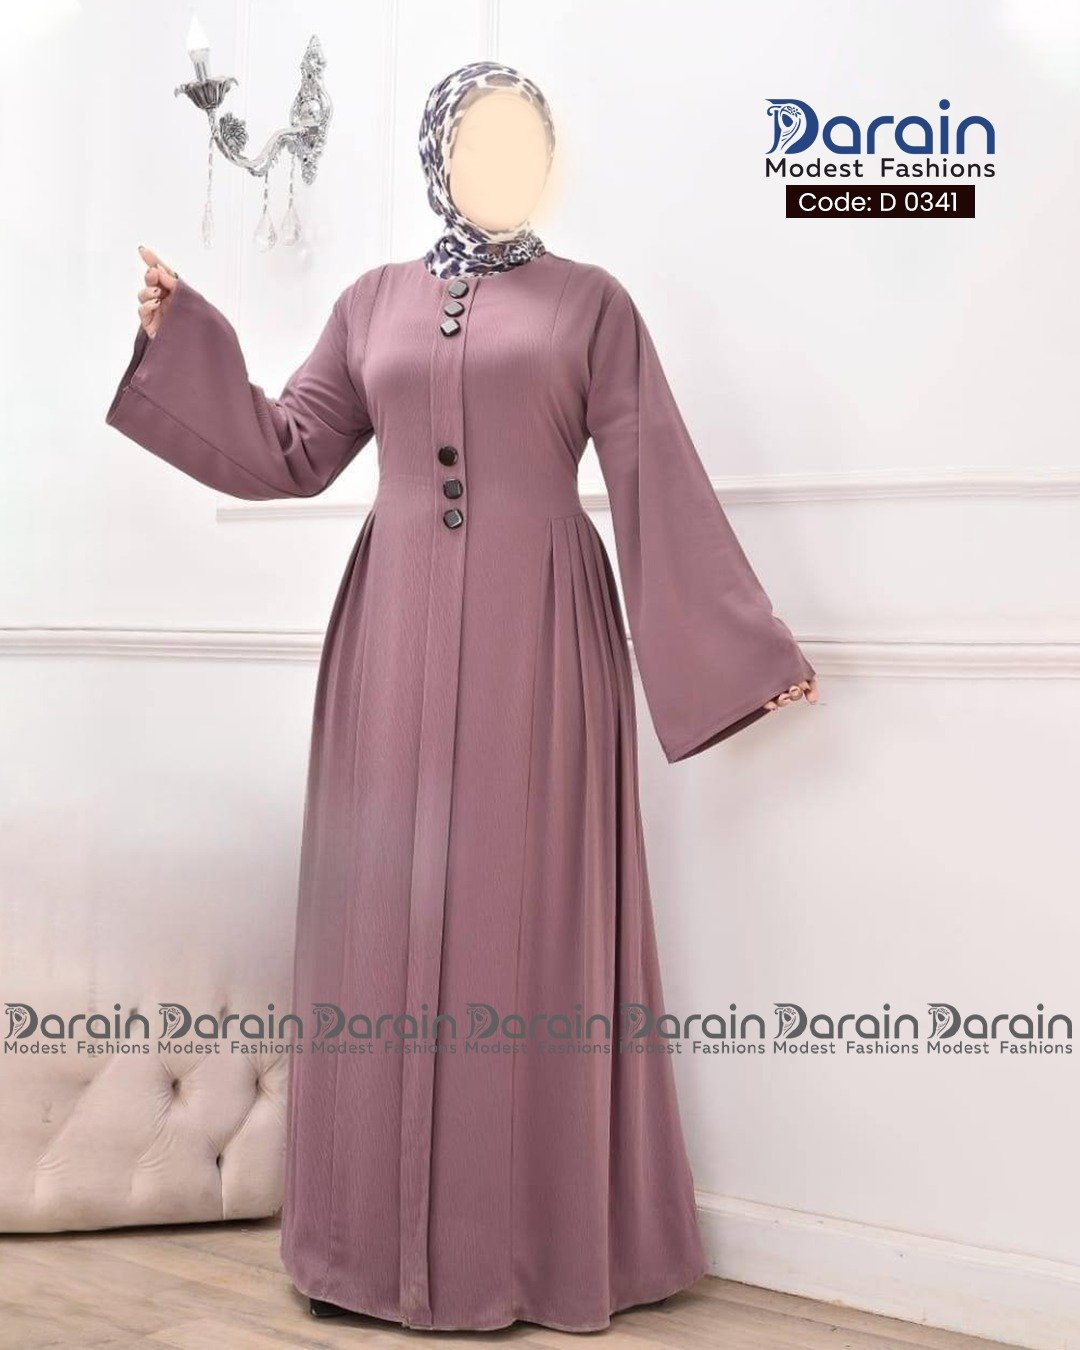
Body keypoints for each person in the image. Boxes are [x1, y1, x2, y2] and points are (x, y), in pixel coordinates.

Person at [106, 59, 818, 1334]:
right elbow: (290, 449)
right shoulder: (370, 301)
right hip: (388, 636)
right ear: (437, 155)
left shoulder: (593, 303)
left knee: (523, 917)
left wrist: (744, 652)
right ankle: (364, 1250)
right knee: (383, 916)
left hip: (542, 638)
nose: (508, 164)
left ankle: (529, 1250)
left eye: (528, 143)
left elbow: (652, 472)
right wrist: (184, 338)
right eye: (482, 141)